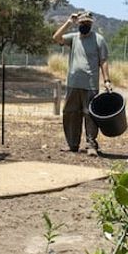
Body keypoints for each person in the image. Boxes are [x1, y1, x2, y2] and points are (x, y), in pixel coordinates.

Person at [52, 10, 111, 157]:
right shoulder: (74, 38)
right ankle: (72, 144)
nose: (84, 25)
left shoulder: (99, 39)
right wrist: (68, 22)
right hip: (73, 83)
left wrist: (107, 80)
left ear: (91, 24)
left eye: (87, 23)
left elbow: (103, 61)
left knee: (90, 115)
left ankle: (91, 145)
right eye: (82, 23)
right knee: (70, 113)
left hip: (90, 84)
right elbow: (56, 37)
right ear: (78, 24)